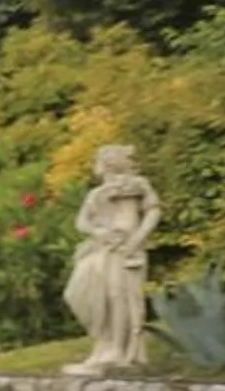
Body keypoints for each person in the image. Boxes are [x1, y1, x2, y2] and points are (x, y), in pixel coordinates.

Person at [63, 144, 159, 374]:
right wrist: (99, 232)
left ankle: (119, 349)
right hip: (104, 248)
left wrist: (138, 238)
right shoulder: (96, 194)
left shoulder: (137, 185)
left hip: (128, 249)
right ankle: (105, 344)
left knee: (120, 296)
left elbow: (153, 210)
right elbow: (82, 222)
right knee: (88, 293)